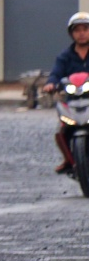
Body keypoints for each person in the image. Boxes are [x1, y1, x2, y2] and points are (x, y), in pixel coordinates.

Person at [42, 11, 89, 173]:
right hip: (73, 100)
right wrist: (50, 84)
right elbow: (56, 73)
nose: (81, 33)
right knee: (62, 129)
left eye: (85, 29)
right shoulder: (64, 56)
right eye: (77, 30)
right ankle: (69, 160)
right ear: (71, 33)